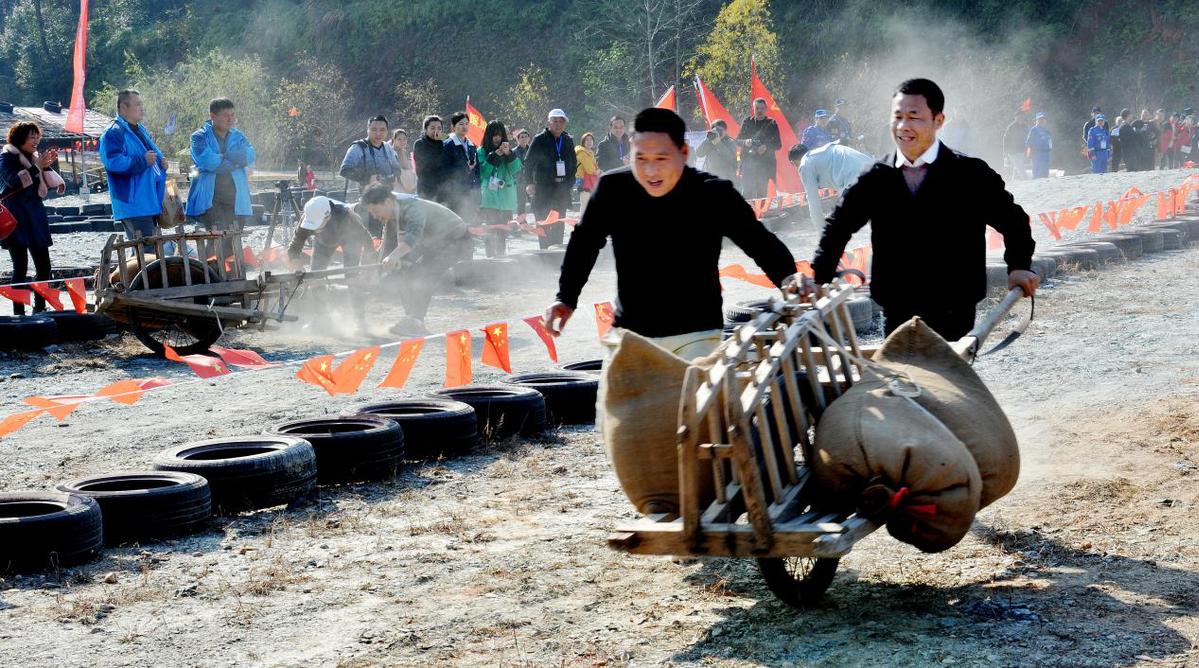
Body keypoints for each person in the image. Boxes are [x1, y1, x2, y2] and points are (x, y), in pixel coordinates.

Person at [542, 108, 801, 359]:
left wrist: (789, 277)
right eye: (641, 158)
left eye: (662, 158)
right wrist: (566, 297)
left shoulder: (713, 193)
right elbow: (584, 243)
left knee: (692, 399)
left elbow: (758, 240)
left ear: (683, 153)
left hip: (696, 332)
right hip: (633, 332)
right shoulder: (613, 189)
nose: (651, 170)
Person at [804, 78, 1038, 341]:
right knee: (904, 380)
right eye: (898, 117)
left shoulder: (969, 174)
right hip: (897, 309)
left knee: (947, 378)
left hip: (954, 307)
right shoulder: (877, 177)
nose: (904, 126)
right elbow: (838, 226)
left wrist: (1018, 265)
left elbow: (1014, 221)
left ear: (938, 120)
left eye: (914, 117)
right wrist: (820, 277)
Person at [360, 184, 474, 336]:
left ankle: (416, 322)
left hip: (458, 240)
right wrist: (378, 271)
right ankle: (411, 318)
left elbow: (411, 239)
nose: (375, 216)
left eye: (375, 211)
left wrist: (394, 257)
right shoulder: (394, 215)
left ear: (387, 202)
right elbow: (387, 248)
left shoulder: (413, 208)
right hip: (436, 243)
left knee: (423, 274)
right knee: (405, 272)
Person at [1, 121, 63, 314]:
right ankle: (18, 312)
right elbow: (12, 182)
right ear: (19, 138)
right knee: (20, 266)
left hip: (35, 212)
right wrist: (37, 167)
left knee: (44, 265)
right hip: (16, 214)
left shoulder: (35, 156)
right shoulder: (7, 157)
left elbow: (44, 182)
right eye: (31, 136)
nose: (36, 140)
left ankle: (40, 307)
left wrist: (45, 166)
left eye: (37, 136)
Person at [287, 195, 374, 330]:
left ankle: (360, 319)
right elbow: (293, 249)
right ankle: (321, 318)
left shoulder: (347, 217)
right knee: (315, 275)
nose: (314, 229)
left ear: (328, 216)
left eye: (317, 224)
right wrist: (300, 271)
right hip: (324, 242)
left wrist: (367, 268)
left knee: (352, 276)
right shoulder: (307, 219)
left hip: (351, 238)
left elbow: (367, 241)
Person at [186, 98, 255, 260]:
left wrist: (224, 157)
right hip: (211, 199)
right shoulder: (199, 137)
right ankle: (212, 276)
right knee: (216, 239)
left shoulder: (238, 136)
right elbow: (208, 161)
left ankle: (233, 278)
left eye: (232, 115)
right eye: (226, 115)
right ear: (213, 116)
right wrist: (236, 161)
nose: (231, 119)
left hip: (236, 199)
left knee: (233, 240)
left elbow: (250, 154)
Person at [99, 89, 167, 248]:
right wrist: (142, 161)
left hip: (148, 201)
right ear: (123, 108)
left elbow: (152, 152)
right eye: (138, 104)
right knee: (149, 253)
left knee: (145, 252)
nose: (142, 107)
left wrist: (161, 160)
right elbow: (112, 161)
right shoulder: (113, 132)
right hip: (134, 203)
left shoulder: (139, 128)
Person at [524, 108, 577, 248]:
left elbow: (573, 163)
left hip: (561, 190)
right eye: (555, 121)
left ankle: (556, 258)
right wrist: (529, 183)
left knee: (559, 224)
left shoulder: (567, 139)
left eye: (561, 121)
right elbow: (528, 163)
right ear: (549, 122)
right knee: (544, 225)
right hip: (543, 189)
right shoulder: (539, 139)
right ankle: (544, 257)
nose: (558, 124)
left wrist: (570, 182)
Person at [788, 141, 873, 227]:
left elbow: (813, 200)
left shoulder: (805, 164)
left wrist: (820, 228)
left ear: (793, 162)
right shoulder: (824, 153)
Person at [477, 120, 522, 257]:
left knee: (503, 231)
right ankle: (490, 258)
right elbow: (483, 172)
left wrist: (509, 155)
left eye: (500, 135)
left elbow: (517, 169)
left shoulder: (510, 151)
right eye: (494, 135)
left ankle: (501, 259)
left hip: (506, 198)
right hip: (490, 198)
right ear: (488, 135)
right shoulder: (482, 151)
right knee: (490, 230)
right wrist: (495, 155)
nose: (497, 138)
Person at [339, 115, 401, 202]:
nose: (378, 133)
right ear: (367, 130)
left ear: (387, 131)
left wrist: (392, 177)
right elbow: (344, 170)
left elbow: (397, 169)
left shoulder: (388, 147)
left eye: (382, 130)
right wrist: (368, 178)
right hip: (363, 199)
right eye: (374, 129)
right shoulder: (359, 147)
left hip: (386, 197)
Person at [440, 111, 481, 224]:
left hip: (470, 193)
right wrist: (465, 169)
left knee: (469, 226)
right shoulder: (448, 145)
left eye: (467, 124)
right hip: (455, 194)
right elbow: (445, 170)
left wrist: (477, 194)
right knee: (456, 226)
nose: (464, 127)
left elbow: (477, 171)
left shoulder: (472, 145)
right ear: (453, 127)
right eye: (461, 124)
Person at [738, 98, 782, 200]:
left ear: (766, 109)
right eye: (757, 108)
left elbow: (778, 144)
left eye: (762, 108)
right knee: (747, 192)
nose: (759, 111)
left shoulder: (771, 123)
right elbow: (737, 140)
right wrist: (746, 142)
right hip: (748, 163)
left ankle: (761, 213)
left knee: (762, 193)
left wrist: (766, 147)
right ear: (753, 109)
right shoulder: (747, 122)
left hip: (765, 164)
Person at [413, 115, 445, 202]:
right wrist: (438, 143)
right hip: (425, 189)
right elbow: (430, 164)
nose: (436, 131)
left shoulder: (442, 144)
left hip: (441, 190)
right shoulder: (420, 144)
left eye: (439, 128)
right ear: (426, 129)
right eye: (432, 128)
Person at [575, 132, 600, 211]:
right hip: (583, 181)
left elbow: (594, 166)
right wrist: (597, 171)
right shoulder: (582, 153)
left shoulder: (590, 153)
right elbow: (590, 169)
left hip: (590, 180)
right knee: (585, 204)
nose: (589, 142)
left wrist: (598, 170)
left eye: (591, 140)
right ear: (583, 142)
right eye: (587, 140)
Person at [1024, 112, 1052, 179]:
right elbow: (1028, 142)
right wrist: (1031, 151)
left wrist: (1050, 149)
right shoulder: (1034, 130)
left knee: (1045, 172)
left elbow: (1049, 141)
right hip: (1036, 153)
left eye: (1043, 119)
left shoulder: (1046, 130)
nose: (1042, 121)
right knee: (1036, 172)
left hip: (1046, 153)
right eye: (1040, 119)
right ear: (1036, 121)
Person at [513, 128, 533, 216]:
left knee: (534, 201)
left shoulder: (533, 150)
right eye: (521, 137)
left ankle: (539, 220)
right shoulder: (513, 152)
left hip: (530, 180)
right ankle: (521, 221)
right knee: (521, 203)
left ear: (529, 138)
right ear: (518, 139)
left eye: (525, 137)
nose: (524, 139)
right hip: (519, 180)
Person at [1002, 110, 1027, 180]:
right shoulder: (1011, 127)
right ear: (1015, 118)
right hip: (1012, 151)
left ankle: (1014, 180)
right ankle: (1025, 178)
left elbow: (1027, 137)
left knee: (1017, 166)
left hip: (1021, 150)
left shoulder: (1024, 126)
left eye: (1022, 116)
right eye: (1018, 117)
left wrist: (1026, 147)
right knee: (1019, 165)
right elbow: (1005, 138)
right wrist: (1005, 150)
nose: (1020, 118)